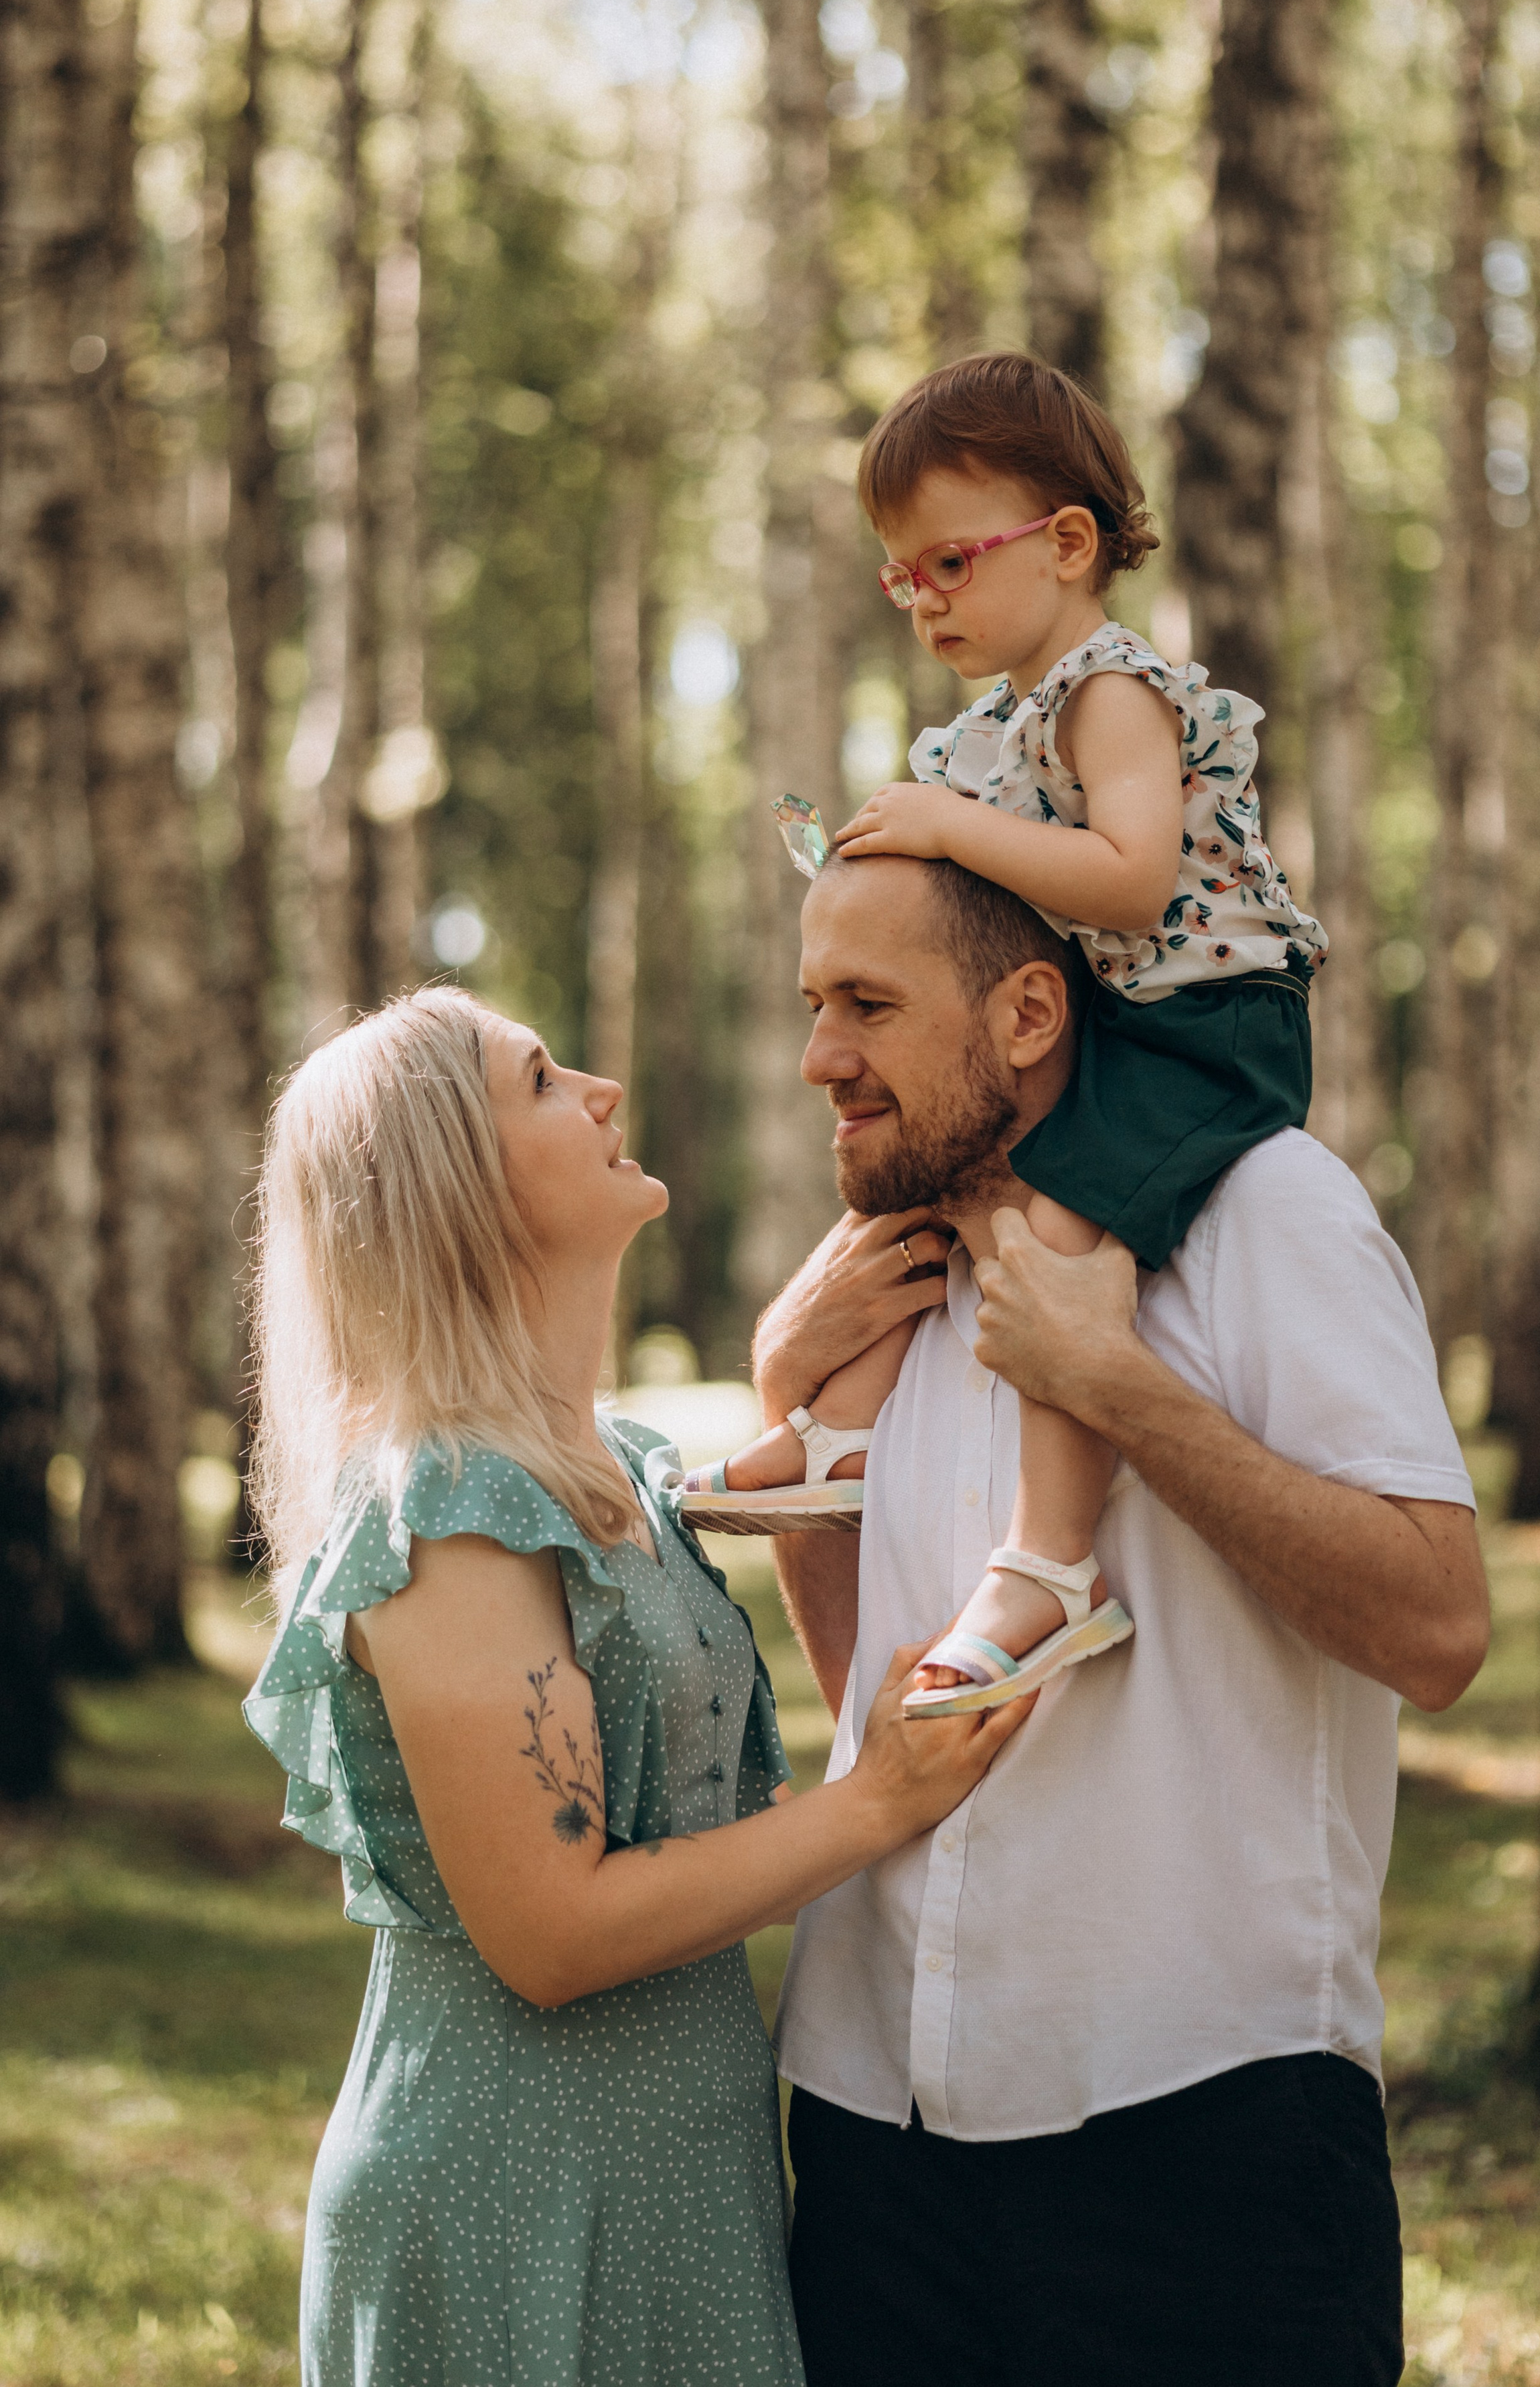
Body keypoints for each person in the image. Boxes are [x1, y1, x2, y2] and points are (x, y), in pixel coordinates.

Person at [756, 849, 1488, 2386]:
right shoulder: (878, 1278)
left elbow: (1436, 1627)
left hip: (1199, 2124)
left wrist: (1118, 1392)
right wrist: (790, 1394)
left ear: (1028, 1012)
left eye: (868, 1006)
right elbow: (876, 1706)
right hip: (871, 2117)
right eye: (815, 1004)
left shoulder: (1266, 1211)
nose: (821, 1056)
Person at [240, 987, 1031, 2387]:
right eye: (541, 1079)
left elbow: (811, 1476)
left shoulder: (608, 1463)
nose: (602, 1088)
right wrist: (877, 1801)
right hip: (517, 2191)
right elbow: (554, 1930)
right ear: (457, 1185)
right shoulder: (452, 1515)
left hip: (670, 2176)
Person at [689, 352, 1328, 1715]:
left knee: (1051, 1241)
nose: (922, 600)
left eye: (947, 564)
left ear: (1067, 543)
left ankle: (1045, 1565)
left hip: (1204, 1020)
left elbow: (1130, 877)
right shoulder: (989, 729)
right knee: (931, 1161)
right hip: (1107, 1011)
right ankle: (840, 1433)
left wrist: (942, 825)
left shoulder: (1111, 690)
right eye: (899, 577)